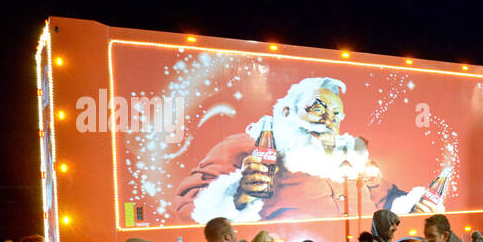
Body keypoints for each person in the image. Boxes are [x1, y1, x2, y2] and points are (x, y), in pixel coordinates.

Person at [175, 77, 442, 222]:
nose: (329, 121)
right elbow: (190, 205)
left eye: (336, 115)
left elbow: (384, 201)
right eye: (317, 109)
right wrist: (240, 195)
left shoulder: (349, 156)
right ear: (287, 111)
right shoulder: (249, 145)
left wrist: (409, 208)